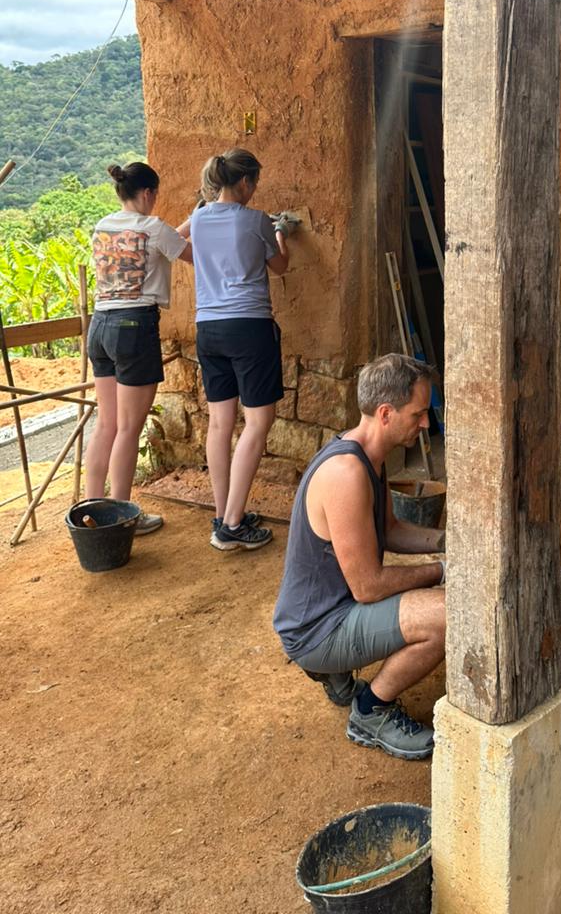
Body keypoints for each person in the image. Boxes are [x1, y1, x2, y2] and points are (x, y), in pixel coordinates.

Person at [274, 354, 446, 761]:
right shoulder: (347, 474)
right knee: (449, 616)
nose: (424, 423)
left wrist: (448, 542)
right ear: (386, 413)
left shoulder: (367, 456)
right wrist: (439, 571)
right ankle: (371, 712)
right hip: (316, 629)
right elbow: (368, 587)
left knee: (433, 593)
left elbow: (390, 531)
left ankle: (334, 670)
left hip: (327, 609)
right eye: (418, 413)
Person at [178, 149, 298, 552]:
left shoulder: (197, 218)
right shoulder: (256, 220)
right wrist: (281, 232)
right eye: (255, 183)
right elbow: (279, 266)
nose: (255, 190)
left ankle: (223, 513)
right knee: (259, 421)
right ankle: (231, 525)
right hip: (249, 327)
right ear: (245, 182)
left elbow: (175, 241)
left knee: (219, 424)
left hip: (208, 328)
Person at [86, 162, 193, 533]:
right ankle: (121, 517)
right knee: (130, 428)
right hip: (133, 327)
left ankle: (91, 508)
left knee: (108, 424)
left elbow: (159, 246)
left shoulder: (103, 226)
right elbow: (185, 252)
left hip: (99, 326)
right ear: (148, 193)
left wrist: (191, 220)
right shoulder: (153, 227)